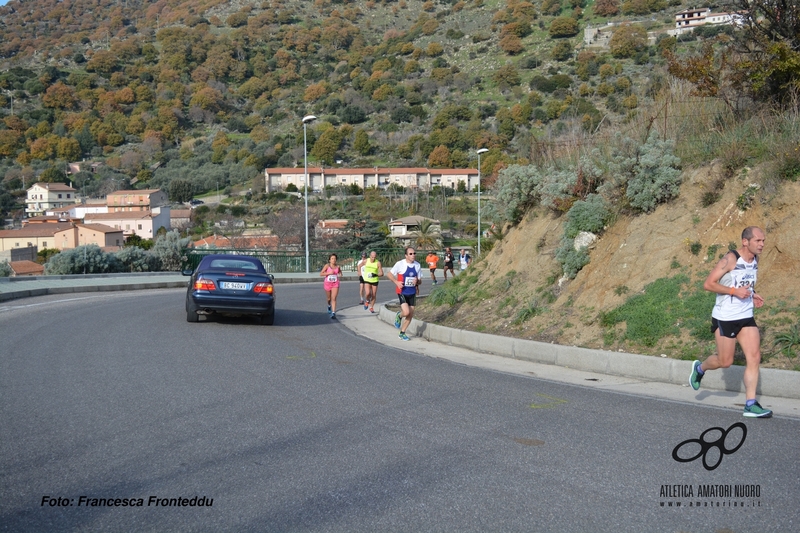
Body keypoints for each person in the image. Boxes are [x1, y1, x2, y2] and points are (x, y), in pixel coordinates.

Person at [689, 226, 772, 418]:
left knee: (754, 357)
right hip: (725, 317)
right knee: (725, 361)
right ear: (745, 241)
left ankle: (750, 404)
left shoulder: (755, 260)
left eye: (763, 241)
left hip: (745, 315)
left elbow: (746, 283)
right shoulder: (730, 259)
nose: (762, 244)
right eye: (758, 241)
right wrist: (735, 292)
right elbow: (708, 284)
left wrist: (752, 294)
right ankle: (700, 368)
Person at [386, 247, 422, 341]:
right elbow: (389, 274)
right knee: (406, 312)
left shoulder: (417, 265)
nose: (413, 255)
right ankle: (399, 315)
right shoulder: (400, 264)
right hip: (402, 291)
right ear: (406, 255)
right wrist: (396, 282)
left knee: (410, 314)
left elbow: (420, 280)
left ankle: (402, 333)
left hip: (412, 292)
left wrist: (417, 281)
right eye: (410, 254)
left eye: (414, 253)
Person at [320, 253, 341, 320]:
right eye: (332, 258)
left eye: (335, 259)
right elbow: (321, 274)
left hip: (335, 283)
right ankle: (329, 305)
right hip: (327, 284)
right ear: (329, 260)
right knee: (329, 298)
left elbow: (340, 273)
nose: (333, 260)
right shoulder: (327, 266)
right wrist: (329, 273)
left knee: (334, 298)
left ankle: (333, 312)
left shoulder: (338, 267)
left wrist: (340, 274)